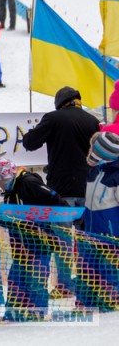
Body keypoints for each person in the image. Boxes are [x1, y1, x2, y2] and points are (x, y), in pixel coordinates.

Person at [23, 86, 99, 297]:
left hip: (61, 192)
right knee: (86, 241)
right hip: (87, 190)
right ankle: (87, 284)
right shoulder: (91, 121)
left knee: (63, 241)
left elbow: (30, 142)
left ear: (59, 103)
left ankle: (65, 286)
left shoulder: (54, 118)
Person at [0, 158, 68, 319]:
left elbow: (55, 199)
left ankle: (38, 313)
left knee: (36, 281)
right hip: (20, 247)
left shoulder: (28, 182)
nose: (0, 185)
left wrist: (57, 223)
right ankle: (13, 314)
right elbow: (13, 215)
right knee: (16, 281)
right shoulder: (10, 191)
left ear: (10, 177)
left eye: (2, 182)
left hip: (38, 244)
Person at [81, 132, 119, 309]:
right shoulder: (95, 171)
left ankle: (110, 304)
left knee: (108, 268)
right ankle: (88, 301)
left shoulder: (116, 176)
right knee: (87, 266)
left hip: (108, 232)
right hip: (89, 228)